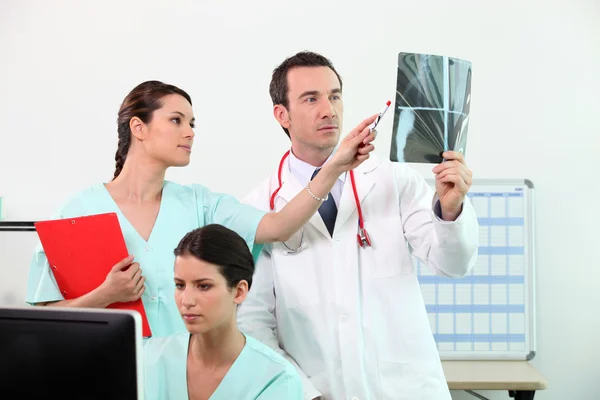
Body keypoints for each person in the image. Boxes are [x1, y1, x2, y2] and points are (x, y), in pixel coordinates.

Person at [26, 80, 377, 338]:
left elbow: (279, 226)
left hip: (188, 378)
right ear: (139, 128)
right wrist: (105, 295)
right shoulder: (78, 210)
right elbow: (43, 320)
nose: (190, 132)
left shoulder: (200, 203)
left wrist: (333, 168)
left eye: (192, 124)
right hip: (108, 373)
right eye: (176, 121)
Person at [237, 51, 479, 400]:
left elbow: (454, 265)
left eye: (335, 95)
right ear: (282, 114)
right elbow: (252, 322)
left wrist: (450, 209)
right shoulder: (260, 208)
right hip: (321, 393)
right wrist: (304, 394)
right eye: (311, 99)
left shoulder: (393, 180)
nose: (328, 110)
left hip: (406, 389)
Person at [143, 224, 302, 399]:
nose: (186, 301)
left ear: (239, 291)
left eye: (204, 286)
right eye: (180, 285)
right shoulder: (148, 359)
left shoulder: (276, 378)